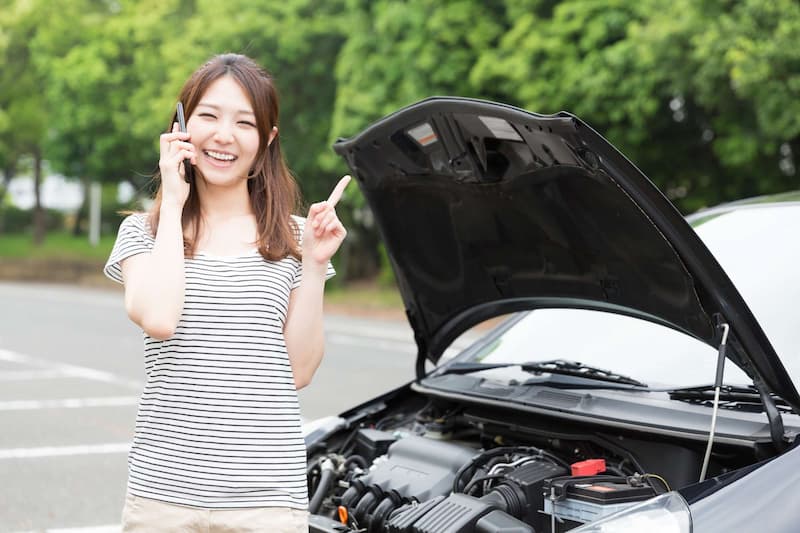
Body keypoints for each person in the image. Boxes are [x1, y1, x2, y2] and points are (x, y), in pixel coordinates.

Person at [103, 53, 350, 532]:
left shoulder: (294, 238)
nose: (223, 136)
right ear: (180, 125)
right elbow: (159, 317)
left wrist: (316, 264)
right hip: (163, 495)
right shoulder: (144, 232)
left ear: (267, 140)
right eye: (209, 116)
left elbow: (298, 371)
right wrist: (173, 203)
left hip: (266, 498)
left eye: (244, 122)